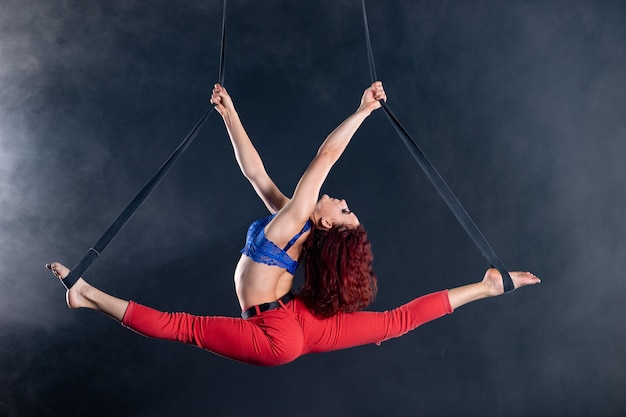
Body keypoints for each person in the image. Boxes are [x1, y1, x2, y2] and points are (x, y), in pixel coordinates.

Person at [46, 82, 540, 367]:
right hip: (296, 320)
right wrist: (229, 114)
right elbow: (256, 173)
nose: (343, 200)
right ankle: (488, 287)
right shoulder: (294, 224)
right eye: (347, 205)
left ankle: (85, 294)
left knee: (185, 328)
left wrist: (365, 110)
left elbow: (326, 156)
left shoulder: (299, 221)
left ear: (324, 223)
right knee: (393, 324)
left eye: (344, 210)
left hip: (276, 335)